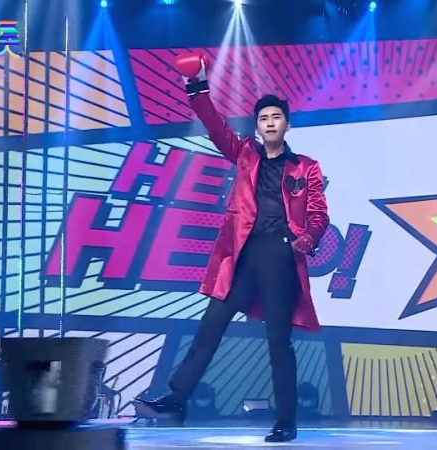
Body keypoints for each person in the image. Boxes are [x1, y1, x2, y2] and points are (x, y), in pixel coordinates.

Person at [135, 53, 329, 443]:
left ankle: (286, 421)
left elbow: (318, 213)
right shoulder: (244, 154)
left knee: (278, 341)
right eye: (263, 118)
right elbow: (213, 124)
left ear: (286, 125)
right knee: (211, 326)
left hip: (280, 256)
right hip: (241, 256)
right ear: (257, 127)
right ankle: (176, 399)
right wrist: (197, 85)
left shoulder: (305, 167)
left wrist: (307, 238)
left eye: (276, 117)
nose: (270, 122)